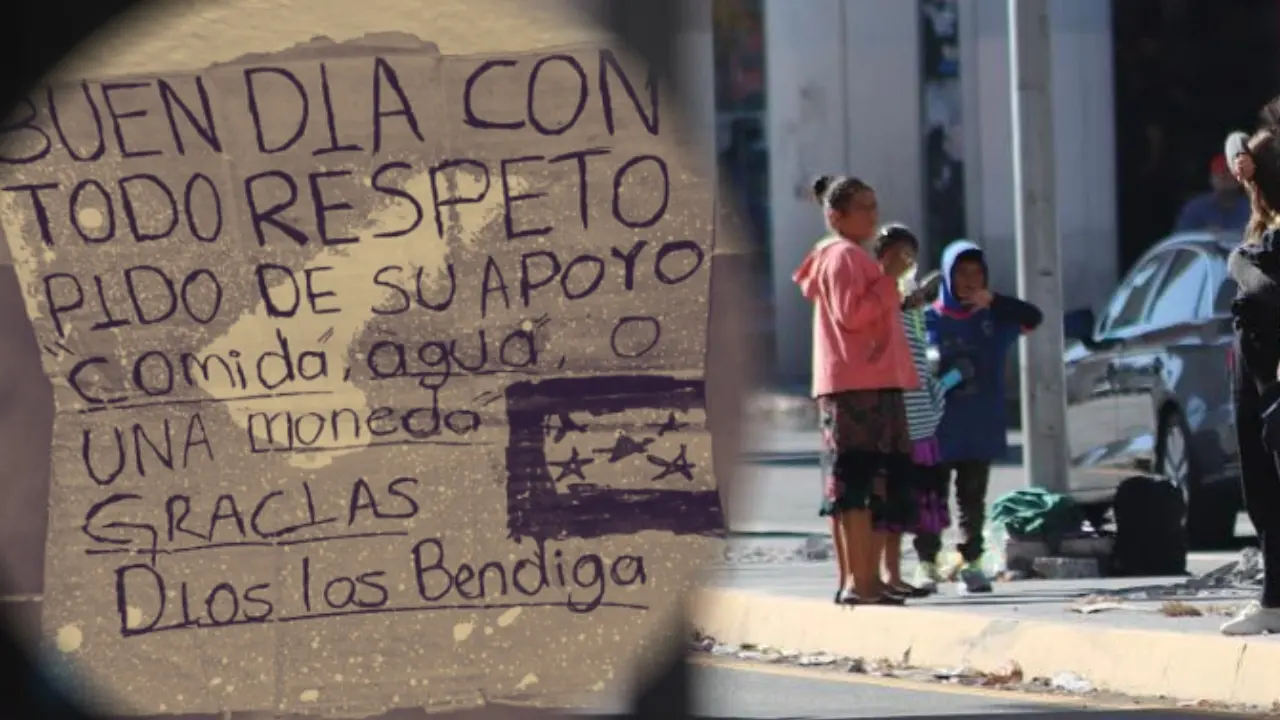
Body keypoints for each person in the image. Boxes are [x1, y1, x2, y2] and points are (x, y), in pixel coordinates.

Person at [793, 175, 920, 606]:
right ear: (836, 216)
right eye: (863, 207)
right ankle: (860, 581)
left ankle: (863, 579)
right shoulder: (843, 256)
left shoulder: (845, 255)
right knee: (859, 485)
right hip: (858, 384)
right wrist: (888, 279)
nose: (873, 214)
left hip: (866, 381)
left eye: (874, 204)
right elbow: (853, 314)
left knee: (867, 484)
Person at [913, 239, 1044, 594]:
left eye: (977, 273)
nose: (970, 280)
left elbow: (1034, 317)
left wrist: (996, 302)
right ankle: (927, 563)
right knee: (930, 497)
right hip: (933, 427)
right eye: (961, 273)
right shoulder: (926, 319)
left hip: (978, 424)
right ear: (946, 276)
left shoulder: (994, 320)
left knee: (972, 500)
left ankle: (972, 564)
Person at [1218, 128, 1280, 635]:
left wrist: (1237, 259)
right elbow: (1234, 135)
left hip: (1275, 372)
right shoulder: (1265, 223)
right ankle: (1274, 599)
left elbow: (1263, 286)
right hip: (1252, 369)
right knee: (1259, 488)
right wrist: (1240, 150)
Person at [869, 224, 947, 598]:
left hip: (916, 422)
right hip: (887, 418)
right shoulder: (876, 298)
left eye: (911, 255)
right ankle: (877, 575)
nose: (907, 262)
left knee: (901, 505)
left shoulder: (912, 306)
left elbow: (921, 362)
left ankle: (894, 573)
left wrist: (933, 404)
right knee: (882, 503)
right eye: (900, 253)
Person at [1173, 153, 1250, 232]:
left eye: (1229, 175)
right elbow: (1182, 237)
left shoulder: (1251, 209)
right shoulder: (1195, 207)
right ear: (1211, 179)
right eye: (1220, 175)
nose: (1224, 180)